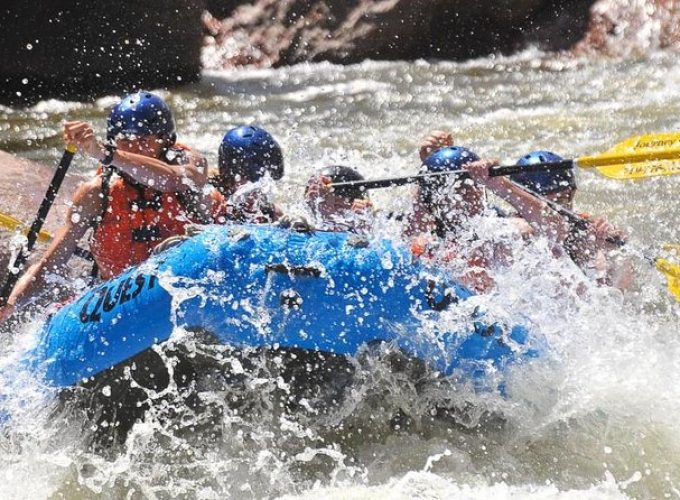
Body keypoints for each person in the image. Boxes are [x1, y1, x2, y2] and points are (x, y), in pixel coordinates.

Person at [0, 91, 208, 322]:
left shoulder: (190, 165)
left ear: (165, 140)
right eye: (125, 139)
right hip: (119, 299)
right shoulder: (97, 191)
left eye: (143, 140)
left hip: (184, 282)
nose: (133, 147)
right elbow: (51, 263)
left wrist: (105, 153)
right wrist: (10, 303)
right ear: (114, 139)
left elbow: (173, 180)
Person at [463, 150, 633, 289]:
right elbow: (554, 228)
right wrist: (499, 184)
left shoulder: (585, 226)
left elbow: (615, 294)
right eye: (553, 201)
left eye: (567, 196)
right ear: (523, 200)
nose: (563, 206)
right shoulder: (508, 227)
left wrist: (611, 252)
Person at [406, 147, 528, 293]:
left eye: (475, 184)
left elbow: (553, 230)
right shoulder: (425, 245)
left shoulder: (504, 231)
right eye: (462, 188)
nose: (474, 193)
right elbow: (408, 233)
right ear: (437, 200)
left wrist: (499, 182)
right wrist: (428, 171)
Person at [210, 125, 284, 224]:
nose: (252, 193)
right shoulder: (211, 200)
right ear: (228, 175)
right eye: (246, 177)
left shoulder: (270, 211)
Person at [304, 165, 374, 233]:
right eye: (322, 202)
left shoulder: (372, 226)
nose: (330, 209)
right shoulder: (302, 225)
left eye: (339, 207)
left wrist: (368, 224)